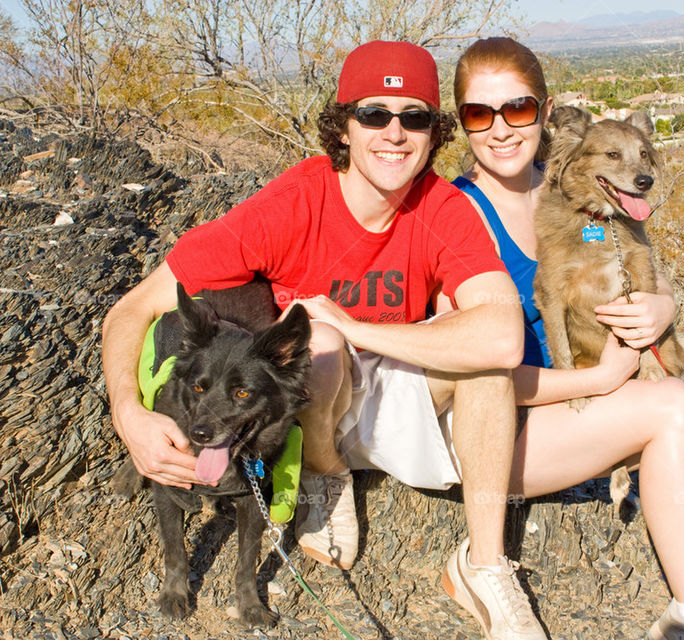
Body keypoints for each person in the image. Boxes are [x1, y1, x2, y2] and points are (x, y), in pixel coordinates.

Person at [102, 40, 550, 640]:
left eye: (414, 117)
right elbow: (131, 309)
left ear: (434, 132)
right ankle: (324, 476)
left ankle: (486, 567)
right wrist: (128, 414)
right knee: (323, 348)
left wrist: (352, 323)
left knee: (485, 368)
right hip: (315, 399)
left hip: (390, 386)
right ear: (343, 125)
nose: (395, 134)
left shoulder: (440, 206)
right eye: (374, 115)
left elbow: (501, 335)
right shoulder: (293, 204)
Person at [449, 36, 684, 640]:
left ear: (545, 115)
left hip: (579, 407)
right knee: (674, 406)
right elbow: (467, 374)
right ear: (461, 121)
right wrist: (596, 378)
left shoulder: (579, 192)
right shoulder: (455, 213)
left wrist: (662, 305)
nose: (501, 130)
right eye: (478, 114)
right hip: (502, 429)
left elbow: (639, 270)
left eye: (517, 110)